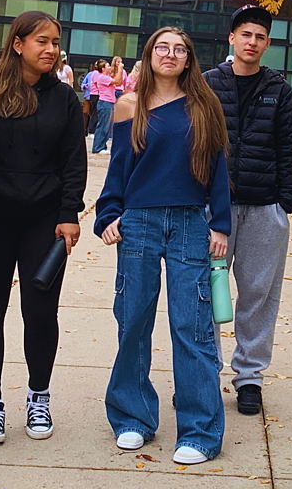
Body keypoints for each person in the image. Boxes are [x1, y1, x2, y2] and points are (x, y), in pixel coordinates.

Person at [95, 28, 231, 464]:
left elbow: (217, 167)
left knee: (192, 326)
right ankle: (133, 418)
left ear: (189, 59)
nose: (170, 54)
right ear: (150, 55)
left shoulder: (204, 106)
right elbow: (119, 168)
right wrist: (108, 215)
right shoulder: (129, 106)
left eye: (179, 49)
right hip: (139, 223)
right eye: (162, 48)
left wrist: (221, 224)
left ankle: (200, 431)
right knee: (133, 319)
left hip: (190, 222)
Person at [0, 11, 88, 445]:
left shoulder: (65, 98)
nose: (51, 49)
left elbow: (74, 162)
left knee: (40, 312)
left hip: (45, 221)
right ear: (18, 44)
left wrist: (69, 214)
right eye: (42, 41)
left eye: (56, 42)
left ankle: (39, 397)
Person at [204, 5, 292, 416]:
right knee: (206, 291)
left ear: (268, 43)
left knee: (259, 295)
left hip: (264, 206)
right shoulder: (208, 84)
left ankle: (249, 377)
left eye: (260, 37)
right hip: (214, 208)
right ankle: (203, 372)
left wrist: (284, 201)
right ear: (232, 38)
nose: (252, 42)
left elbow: (288, 147)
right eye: (245, 34)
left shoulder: (279, 90)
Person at [92, 56, 124, 154]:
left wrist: (119, 71)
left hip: (108, 103)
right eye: (108, 66)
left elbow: (119, 82)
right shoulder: (102, 77)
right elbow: (117, 81)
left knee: (106, 126)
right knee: (103, 126)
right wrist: (120, 69)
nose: (110, 67)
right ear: (103, 69)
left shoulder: (107, 77)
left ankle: (102, 146)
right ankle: (98, 147)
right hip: (104, 103)